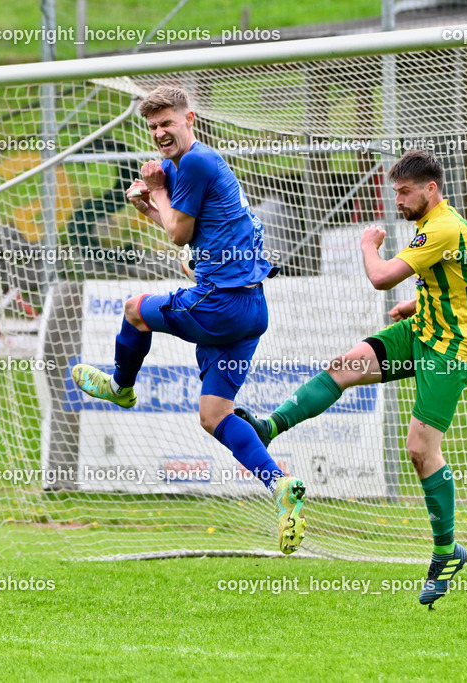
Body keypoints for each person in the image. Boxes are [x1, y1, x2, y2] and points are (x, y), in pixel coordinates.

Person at [237, 150, 467, 607]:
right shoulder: (439, 225)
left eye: (404, 192)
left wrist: (368, 245)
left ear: (431, 189)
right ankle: (271, 427)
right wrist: (418, 304)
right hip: (424, 328)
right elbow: (466, 277)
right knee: (344, 366)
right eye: (394, 192)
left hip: (452, 348)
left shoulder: (443, 225)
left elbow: (382, 278)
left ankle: (447, 552)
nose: (398, 201)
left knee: (418, 449)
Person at [70, 86, 307, 555]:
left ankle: (121, 387)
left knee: (134, 310)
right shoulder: (190, 167)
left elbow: (178, 231)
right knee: (213, 415)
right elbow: (195, 234)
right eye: (152, 126)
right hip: (250, 310)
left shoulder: (194, 163)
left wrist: (154, 191)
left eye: (167, 123)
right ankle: (281, 487)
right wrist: (149, 203)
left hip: (219, 305)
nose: (160, 133)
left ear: (189, 119)